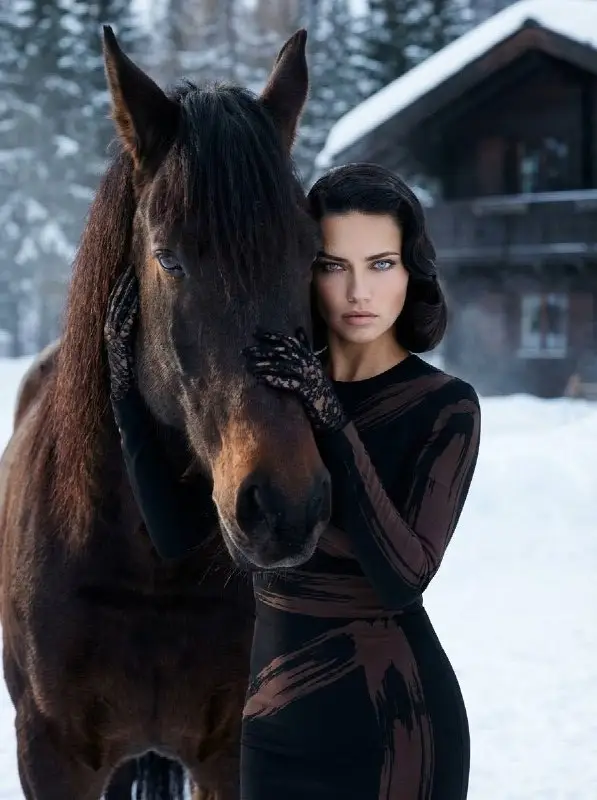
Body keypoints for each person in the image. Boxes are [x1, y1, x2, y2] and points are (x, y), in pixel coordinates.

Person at [104, 162, 481, 799]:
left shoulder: (444, 406)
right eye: (334, 266)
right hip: (272, 728)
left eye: (381, 263)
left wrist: (331, 418)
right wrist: (126, 398)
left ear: (412, 269)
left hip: (396, 723)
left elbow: (403, 576)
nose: (358, 290)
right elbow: (178, 536)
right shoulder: (273, 397)